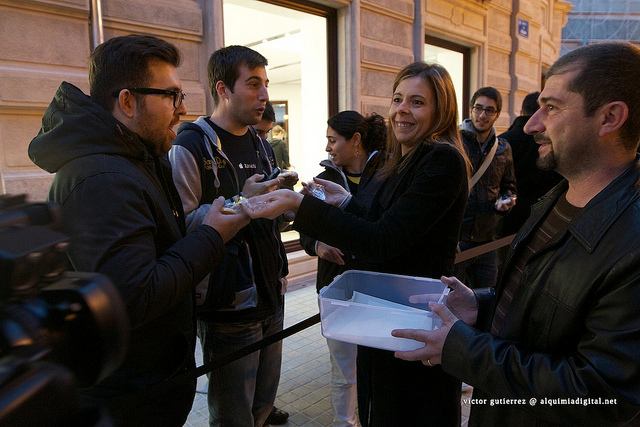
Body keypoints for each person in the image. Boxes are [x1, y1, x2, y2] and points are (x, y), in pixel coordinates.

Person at [392, 42, 640, 427]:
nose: (532, 124)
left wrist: (464, 350)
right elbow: (546, 312)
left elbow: (601, 396)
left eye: (552, 108)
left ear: (609, 117)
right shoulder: (557, 197)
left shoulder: (631, 242)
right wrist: (482, 307)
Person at [27, 35, 249, 426]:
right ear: (127, 102)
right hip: (128, 399)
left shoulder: (137, 159)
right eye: (172, 96)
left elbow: (159, 250)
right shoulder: (103, 177)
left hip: (148, 386)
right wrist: (212, 236)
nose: (182, 110)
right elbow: (135, 296)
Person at [242, 62, 471, 427]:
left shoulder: (441, 159)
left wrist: (301, 206)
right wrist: (346, 203)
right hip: (388, 311)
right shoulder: (409, 156)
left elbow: (383, 241)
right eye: (398, 99)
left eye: (417, 102)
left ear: (441, 109)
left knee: (407, 411)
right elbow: (388, 225)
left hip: (412, 317)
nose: (401, 110)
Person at [169, 45, 297, 427]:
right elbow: (182, 228)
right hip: (226, 303)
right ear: (223, 89)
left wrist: (289, 205)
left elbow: (267, 216)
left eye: (266, 84)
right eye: (253, 84)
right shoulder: (190, 145)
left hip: (271, 292)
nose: (264, 96)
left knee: (262, 408)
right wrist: (245, 201)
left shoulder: (261, 143)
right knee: (232, 416)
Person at [299, 110, 387, 427]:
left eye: (332, 140)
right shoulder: (325, 178)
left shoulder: (385, 178)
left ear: (356, 141)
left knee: (375, 365)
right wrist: (316, 245)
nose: (328, 148)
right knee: (343, 366)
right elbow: (307, 226)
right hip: (335, 287)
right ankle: (343, 422)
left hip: (375, 287)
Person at [455, 87, 517, 288]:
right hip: (457, 240)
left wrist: (507, 201)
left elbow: (509, 186)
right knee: (447, 297)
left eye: (489, 110)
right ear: (470, 109)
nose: (482, 115)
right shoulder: (454, 141)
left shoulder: (502, 148)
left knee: (486, 300)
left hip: (488, 240)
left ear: (497, 114)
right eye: (478, 108)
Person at [497, 91, 562, 240]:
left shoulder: (502, 142)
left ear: (521, 112)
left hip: (508, 220)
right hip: (544, 220)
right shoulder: (553, 144)